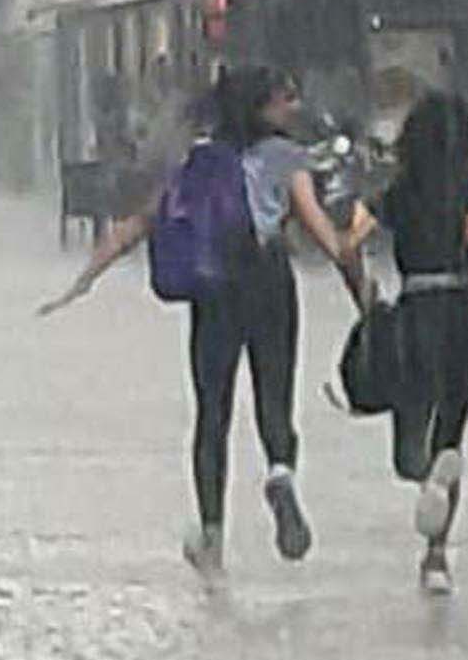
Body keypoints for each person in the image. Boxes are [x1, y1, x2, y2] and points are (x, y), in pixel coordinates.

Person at [43, 64, 370, 578]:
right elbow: (327, 241)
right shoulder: (288, 159)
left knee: (211, 412)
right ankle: (280, 475)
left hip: (214, 289)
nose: (293, 107)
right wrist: (360, 271)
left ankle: (212, 536)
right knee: (274, 397)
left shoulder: (198, 160)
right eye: (285, 98)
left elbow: (140, 223)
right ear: (262, 107)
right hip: (269, 283)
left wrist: (84, 278)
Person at [331, 95, 468, 595]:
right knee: (451, 432)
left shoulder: (396, 190)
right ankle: (436, 558)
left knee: (411, 434)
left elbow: (348, 246)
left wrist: (364, 298)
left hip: (415, 309)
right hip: (463, 311)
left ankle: (423, 473)